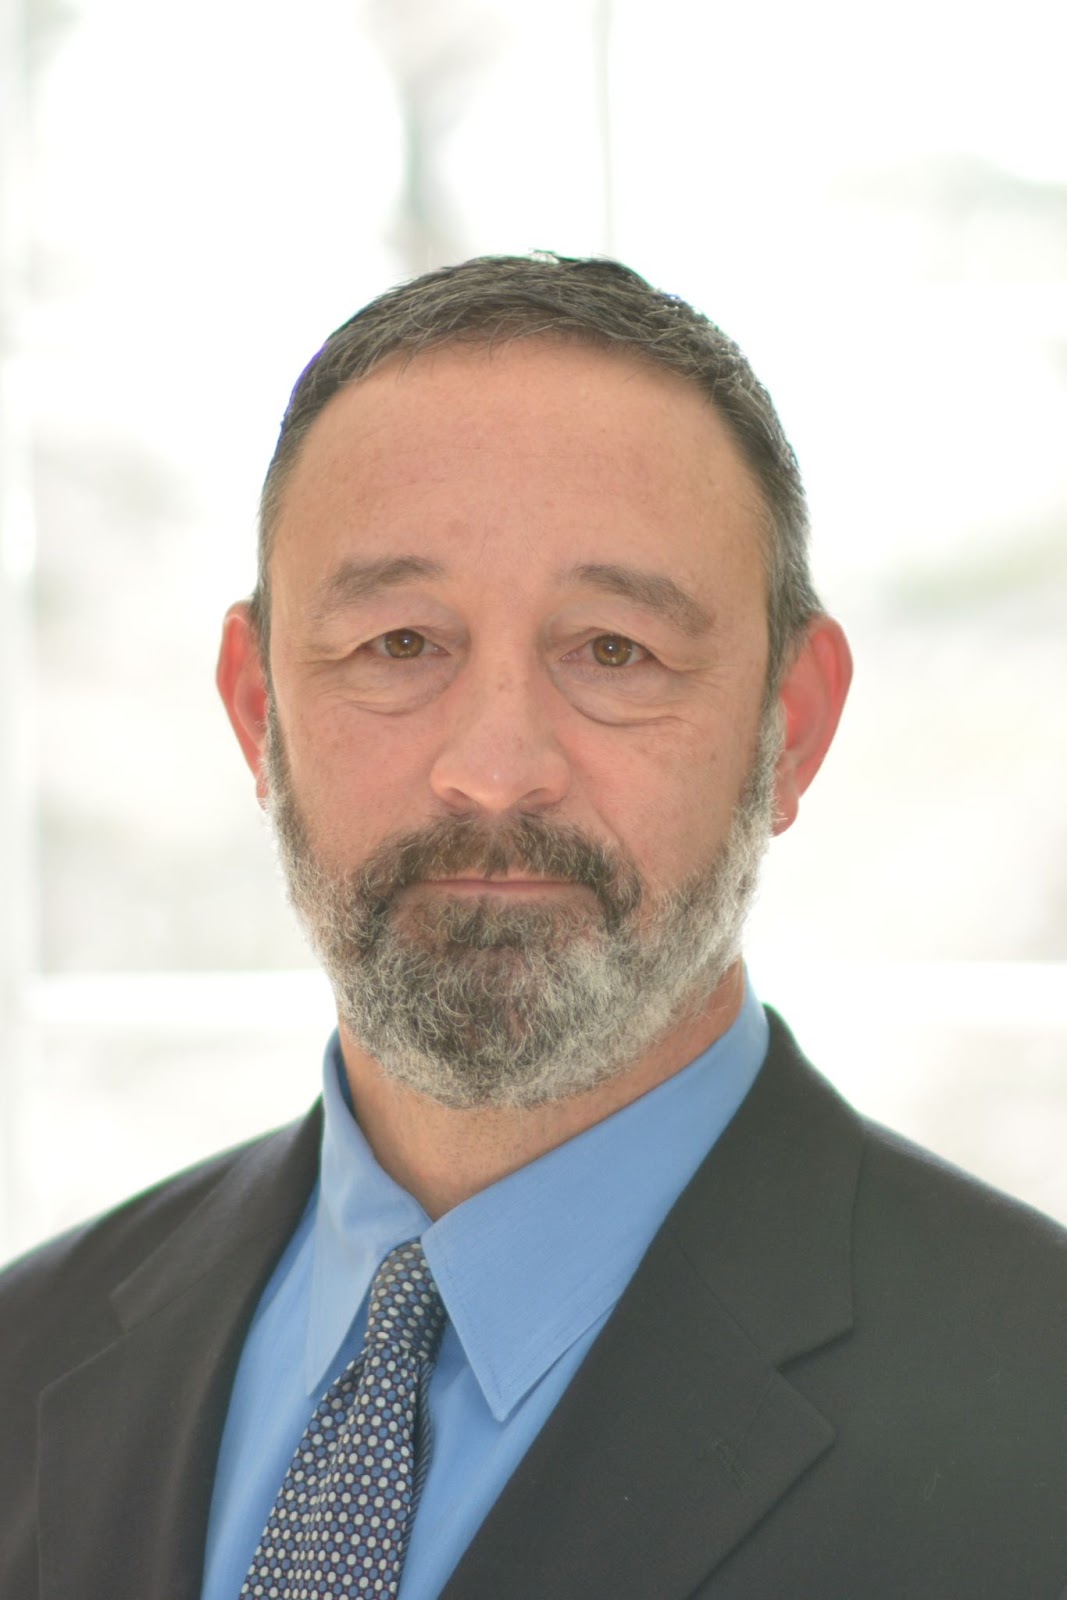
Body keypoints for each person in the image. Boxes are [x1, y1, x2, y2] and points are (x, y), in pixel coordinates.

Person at [1, 254, 1065, 1600]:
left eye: (614, 650)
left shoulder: (1039, 1421)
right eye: (399, 645)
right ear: (259, 711)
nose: (495, 771)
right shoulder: (27, 1354)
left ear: (789, 728)